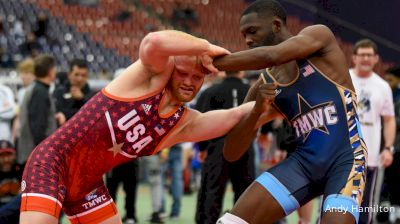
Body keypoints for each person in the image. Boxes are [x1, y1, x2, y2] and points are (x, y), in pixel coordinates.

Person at [19, 30, 267, 224]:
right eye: (183, 73)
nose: (190, 82)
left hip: (88, 184)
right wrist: (205, 46)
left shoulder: (182, 123)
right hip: (53, 163)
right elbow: (153, 41)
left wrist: (277, 99)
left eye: (197, 77)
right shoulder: (148, 79)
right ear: (171, 69)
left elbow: (234, 117)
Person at [212, 0, 367, 223]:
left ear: (276, 25)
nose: (247, 40)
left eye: (252, 31)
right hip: (303, 164)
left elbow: (272, 56)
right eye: (244, 34)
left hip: (346, 160)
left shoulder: (319, 38)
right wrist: (257, 111)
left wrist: (212, 63)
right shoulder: (264, 84)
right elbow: (231, 153)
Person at [195, 71, 255, 224]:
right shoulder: (251, 91)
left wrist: (202, 148)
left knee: (212, 190)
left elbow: (200, 120)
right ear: (242, 72)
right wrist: (265, 134)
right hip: (245, 145)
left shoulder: (210, 92)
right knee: (245, 191)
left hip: (217, 147)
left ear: (223, 73)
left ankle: (207, 221)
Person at [349, 39, 395, 224]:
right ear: (354, 58)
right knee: (334, 202)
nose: (366, 59)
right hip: (342, 154)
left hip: (370, 157)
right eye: (362, 55)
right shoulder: (343, 78)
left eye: (370, 55)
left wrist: (388, 148)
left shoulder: (383, 86)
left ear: (376, 59)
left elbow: (389, 119)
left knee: (365, 206)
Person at [17, 54, 65, 165]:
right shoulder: (40, 92)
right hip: (36, 157)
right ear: (50, 71)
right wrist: (44, 155)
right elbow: (37, 128)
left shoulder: (38, 89)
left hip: (33, 154)